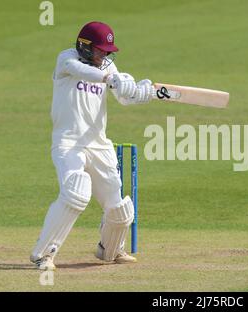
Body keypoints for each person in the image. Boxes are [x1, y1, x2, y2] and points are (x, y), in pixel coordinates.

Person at [30, 21, 153, 270]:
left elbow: (123, 96)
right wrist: (111, 78)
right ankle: (44, 254)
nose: (104, 56)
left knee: (118, 208)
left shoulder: (107, 65)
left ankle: (110, 249)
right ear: (84, 46)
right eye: (99, 50)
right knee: (77, 192)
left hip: (99, 145)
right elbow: (87, 73)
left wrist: (139, 92)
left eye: (107, 51)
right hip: (69, 143)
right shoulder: (66, 59)